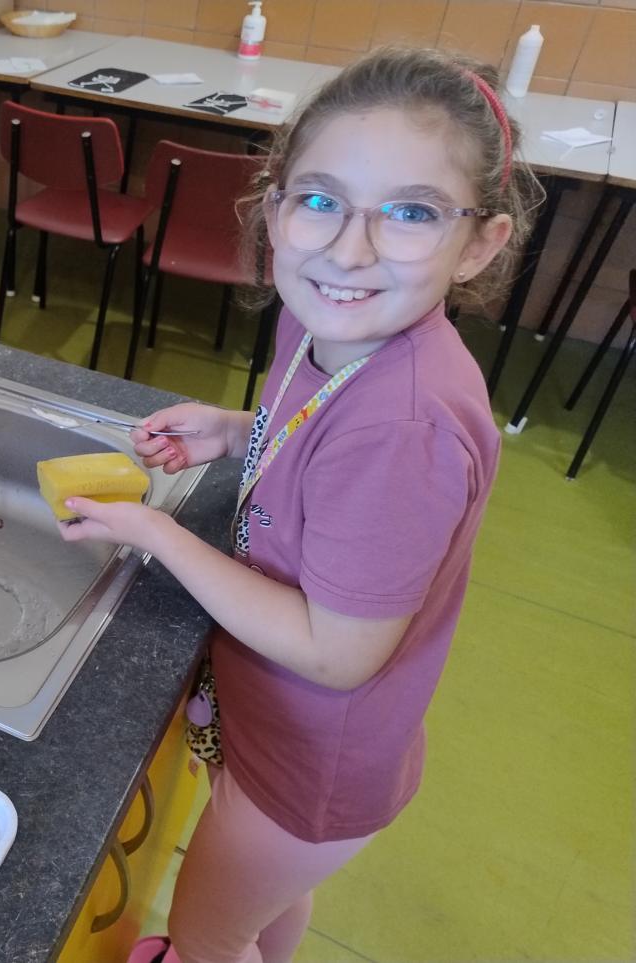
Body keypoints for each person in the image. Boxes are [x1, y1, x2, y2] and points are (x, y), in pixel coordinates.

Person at [58, 46, 541, 963]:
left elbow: (338, 650)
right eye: (320, 200)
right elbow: (317, 433)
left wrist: (156, 531)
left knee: (207, 936)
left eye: (412, 213)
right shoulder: (330, 322)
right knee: (258, 909)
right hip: (281, 728)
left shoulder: (405, 427)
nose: (349, 250)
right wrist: (235, 429)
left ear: (480, 243)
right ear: (274, 207)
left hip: (310, 762)